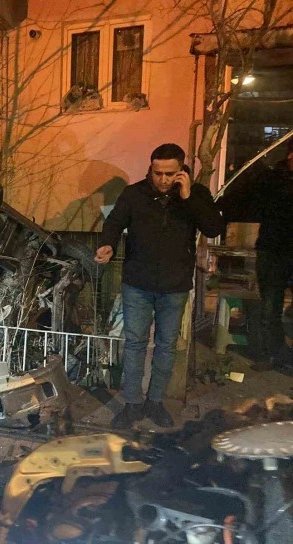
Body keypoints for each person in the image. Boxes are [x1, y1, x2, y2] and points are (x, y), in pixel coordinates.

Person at [95, 144, 225, 429]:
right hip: (137, 282)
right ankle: (132, 404)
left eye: (170, 174)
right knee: (135, 344)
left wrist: (188, 197)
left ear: (181, 170)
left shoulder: (196, 194)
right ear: (151, 168)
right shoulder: (134, 193)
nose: (163, 179)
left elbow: (214, 228)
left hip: (175, 284)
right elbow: (114, 222)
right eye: (158, 173)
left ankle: (155, 402)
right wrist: (107, 244)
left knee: (166, 346)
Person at [219, 139, 293, 369]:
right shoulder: (272, 180)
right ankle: (273, 353)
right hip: (274, 250)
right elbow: (242, 201)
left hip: (275, 249)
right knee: (270, 306)